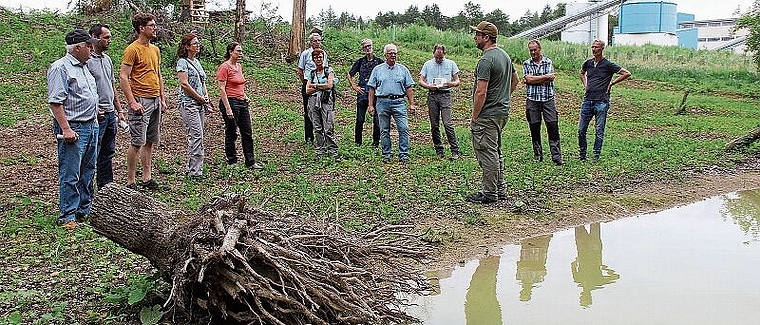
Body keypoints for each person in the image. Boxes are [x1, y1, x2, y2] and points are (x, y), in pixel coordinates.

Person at [47, 29, 101, 230]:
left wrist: (95, 112)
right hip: (74, 127)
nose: (91, 49)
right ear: (77, 47)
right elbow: (55, 102)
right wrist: (66, 129)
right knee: (71, 172)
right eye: (88, 45)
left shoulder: (84, 67)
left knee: (88, 170)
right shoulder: (60, 68)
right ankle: (68, 214)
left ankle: (83, 210)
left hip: (91, 124)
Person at [466, 21, 519, 204]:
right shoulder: (505, 56)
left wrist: (474, 117)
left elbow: (481, 92)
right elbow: (515, 81)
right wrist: (503, 97)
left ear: (486, 38)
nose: (475, 37)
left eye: (478, 34)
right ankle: (500, 189)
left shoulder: (486, 60)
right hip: (501, 113)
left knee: (487, 153)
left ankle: (489, 193)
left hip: (487, 115)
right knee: (495, 152)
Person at [120, 12, 167, 190]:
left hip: (154, 99)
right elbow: (124, 77)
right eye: (152, 26)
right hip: (140, 100)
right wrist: (132, 102)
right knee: (137, 142)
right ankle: (130, 181)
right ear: (141, 28)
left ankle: (147, 178)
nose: (155, 28)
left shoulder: (154, 49)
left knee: (150, 140)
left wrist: (162, 98)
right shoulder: (132, 49)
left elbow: (158, 74)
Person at [578, 39, 631, 162]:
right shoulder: (588, 63)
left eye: (596, 47)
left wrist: (612, 83)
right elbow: (582, 73)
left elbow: (626, 73)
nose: (594, 49)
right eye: (592, 47)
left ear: (602, 49)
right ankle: (582, 155)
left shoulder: (608, 64)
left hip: (601, 101)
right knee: (581, 130)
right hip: (587, 100)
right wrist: (586, 84)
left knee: (599, 130)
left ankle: (596, 155)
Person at [87, 24, 124, 189]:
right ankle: (87, 192)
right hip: (97, 115)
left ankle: (106, 189)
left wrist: (119, 109)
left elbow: (112, 86)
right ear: (94, 37)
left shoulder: (107, 60)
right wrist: (94, 109)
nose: (110, 40)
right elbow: (85, 88)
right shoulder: (87, 61)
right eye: (106, 37)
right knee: (92, 154)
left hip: (110, 114)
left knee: (107, 154)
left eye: (110, 37)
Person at [217, 42, 263, 170]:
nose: (240, 53)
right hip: (231, 102)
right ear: (231, 52)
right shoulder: (224, 67)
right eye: (238, 51)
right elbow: (222, 89)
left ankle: (250, 161)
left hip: (242, 102)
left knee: (247, 132)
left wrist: (245, 95)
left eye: (241, 51)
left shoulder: (239, 66)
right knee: (231, 132)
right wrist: (227, 108)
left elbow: (239, 85)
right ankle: (232, 160)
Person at [367, 44, 417, 164]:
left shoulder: (403, 69)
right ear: (385, 55)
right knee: (384, 130)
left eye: (395, 53)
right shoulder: (377, 69)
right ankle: (387, 154)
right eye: (390, 53)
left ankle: (404, 154)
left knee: (403, 128)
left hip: (399, 102)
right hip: (382, 102)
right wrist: (370, 105)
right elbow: (372, 88)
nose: (393, 55)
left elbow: (409, 87)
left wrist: (412, 104)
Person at [523, 39, 564, 166]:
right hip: (532, 100)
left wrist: (534, 79)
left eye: (535, 50)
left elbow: (550, 78)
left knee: (552, 127)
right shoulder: (526, 63)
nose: (533, 52)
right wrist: (544, 78)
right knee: (534, 128)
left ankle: (556, 157)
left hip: (548, 99)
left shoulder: (548, 61)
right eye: (531, 50)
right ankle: (538, 155)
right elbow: (527, 79)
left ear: (540, 49)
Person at [418, 44, 461, 160]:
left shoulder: (451, 64)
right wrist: (428, 86)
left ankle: (455, 150)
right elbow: (420, 80)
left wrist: (450, 83)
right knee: (434, 124)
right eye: (436, 57)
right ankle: (439, 149)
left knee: (447, 123)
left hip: (445, 94)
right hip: (432, 95)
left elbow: (457, 81)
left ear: (444, 54)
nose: (438, 59)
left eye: (440, 58)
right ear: (433, 53)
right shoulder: (427, 64)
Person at [176, 33, 211, 177]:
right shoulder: (182, 62)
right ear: (187, 46)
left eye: (198, 43)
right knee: (196, 134)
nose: (198, 46)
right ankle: (194, 171)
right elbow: (184, 84)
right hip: (189, 103)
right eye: (195, 43)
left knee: (199, 135)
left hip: (200, 103)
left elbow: (202, 81)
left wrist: (206, 97)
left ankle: (197, 168)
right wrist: (199, 98)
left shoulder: (197, 62)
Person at [347, 38, 383, 147]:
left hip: (376, 94)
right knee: (360, 119)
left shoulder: (380, 62)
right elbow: (350, 75)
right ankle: (358, 143)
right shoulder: (360, 62)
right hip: (362, 93)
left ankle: (375, 143)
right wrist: (354, 86)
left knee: (377, 120)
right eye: (365, 46)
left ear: (372, 46)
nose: (368, 48)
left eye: (369, 46)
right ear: (362, 49)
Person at [305, 49, 339, 159]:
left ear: (323, 58)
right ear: (313, 59)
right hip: (313, 101)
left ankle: (333, 151)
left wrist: (315, 86)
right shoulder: (312, 72)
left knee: (328, 126)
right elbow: (307, 90)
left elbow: (329, 85)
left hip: (326, 101)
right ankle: (320, 150)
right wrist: (320, 86)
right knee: (317, 127)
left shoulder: (329, 70)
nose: (318, 59)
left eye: (320, 57)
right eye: (316, 57)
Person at [297, 33, 329, 145]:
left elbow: (326, 69)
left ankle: (322, 137)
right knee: (308, 111)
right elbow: (300, 71)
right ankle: (309, 137)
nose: (317, 43)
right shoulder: (305, 54)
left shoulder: (323, 54)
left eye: (319, 40)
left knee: (322, 110)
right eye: (315, 41)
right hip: (308, 83)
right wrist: (306, 83)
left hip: (321, 84)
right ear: (311, 42)